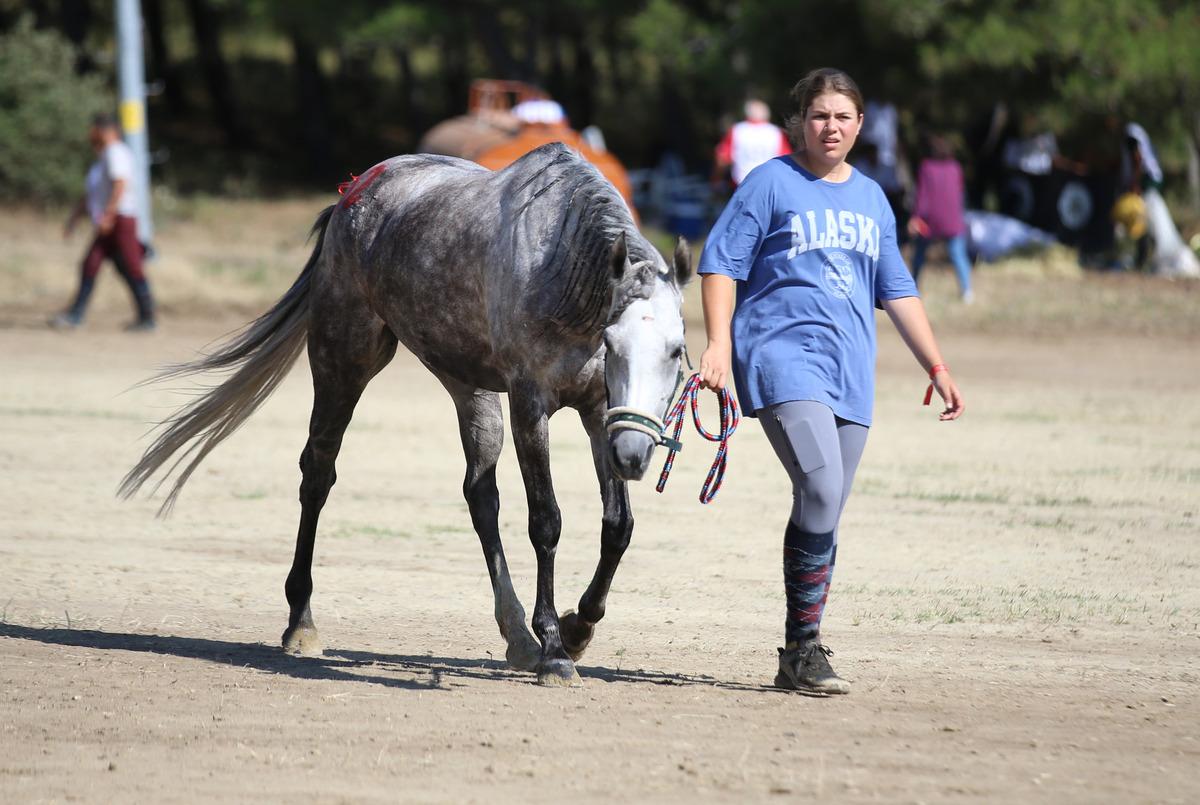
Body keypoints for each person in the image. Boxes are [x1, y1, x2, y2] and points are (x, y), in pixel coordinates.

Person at [696, 68, 964, 695]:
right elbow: (721, 263)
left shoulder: (872, 198)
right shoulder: (769, 183)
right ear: (801, 122)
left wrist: (938, 366)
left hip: (850, 368)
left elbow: (896, 288)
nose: (831, 126)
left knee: (826, 504)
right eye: (820, 115)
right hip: (780, 357)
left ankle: (797, 653)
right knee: (820, 485)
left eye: (843, 116)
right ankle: (805, 650)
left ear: (860, 124)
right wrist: (716, 343)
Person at [52, 113, 156, 331]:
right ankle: (76, 314)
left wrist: (109, 215)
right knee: (92, 264)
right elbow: (90, 195)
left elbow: (120, 184)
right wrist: (73, 219)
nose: (90, 134)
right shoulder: (102, 157)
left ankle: (148, 318)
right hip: (108, 221)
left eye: (93, 129)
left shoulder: (116, 152)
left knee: (131, 266)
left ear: (104, 130)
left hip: (121, 219)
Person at [908, 133, 974, 302]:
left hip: (930, 220)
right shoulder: (955, 167)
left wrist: (916, 217)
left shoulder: (926, 167)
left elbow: (922, 195)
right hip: (953, 219)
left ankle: (912, 289)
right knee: (958, 254)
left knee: (919, 254)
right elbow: (960, 194)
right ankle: (967, 290)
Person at [712, 99, 791, 189]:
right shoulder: (775, 132)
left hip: (740, 183)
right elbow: (785, 161)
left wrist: (716, 180)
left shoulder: (737, 130)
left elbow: (722, 159)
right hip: (768, 184)